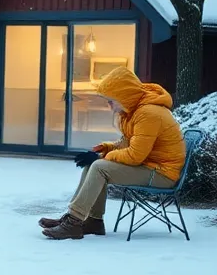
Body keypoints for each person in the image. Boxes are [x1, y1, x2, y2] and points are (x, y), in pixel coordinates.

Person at [41, 66, 186, 240]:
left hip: (162, 174)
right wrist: (106, 148)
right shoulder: (134, 111)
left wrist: (102, 158)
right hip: (150, 166)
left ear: (124, 96)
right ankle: (93, 221)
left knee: (100, 167)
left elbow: (135, 156)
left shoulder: (148, 113)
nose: (109, 105)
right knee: (93, 164)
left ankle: (73, 222)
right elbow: (127, 143)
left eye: (111, 101)